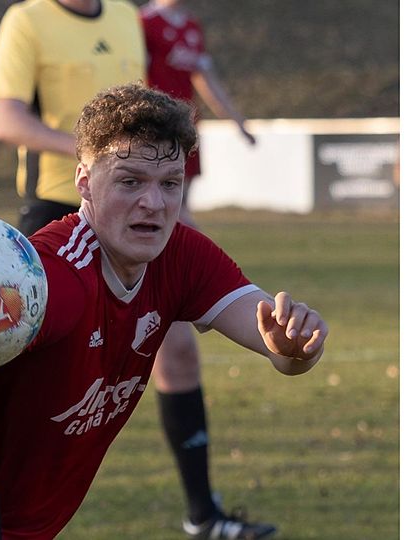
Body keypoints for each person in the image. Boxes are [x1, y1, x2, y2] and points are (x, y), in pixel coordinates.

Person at [0, 84, 327, 540]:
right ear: (84, 182)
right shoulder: (56, 276)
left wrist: (295, 344)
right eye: (130, 181)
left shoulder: (183, 256)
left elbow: (275, 343)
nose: (153, 203)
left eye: (170, 183)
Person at [140, 2, 268, 537]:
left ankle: (201, 513)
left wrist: (238, 121)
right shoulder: (139, 23)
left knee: (179, 349)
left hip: (179, 147)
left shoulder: (189, 25)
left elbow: (205, 76)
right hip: (149, 153)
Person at [0, 0, 146, 236]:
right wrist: (99, 154)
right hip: (58, 203)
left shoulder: (127, 14)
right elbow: (8, 122)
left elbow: (146, 110)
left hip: (130, 202)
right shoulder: (26, 19)